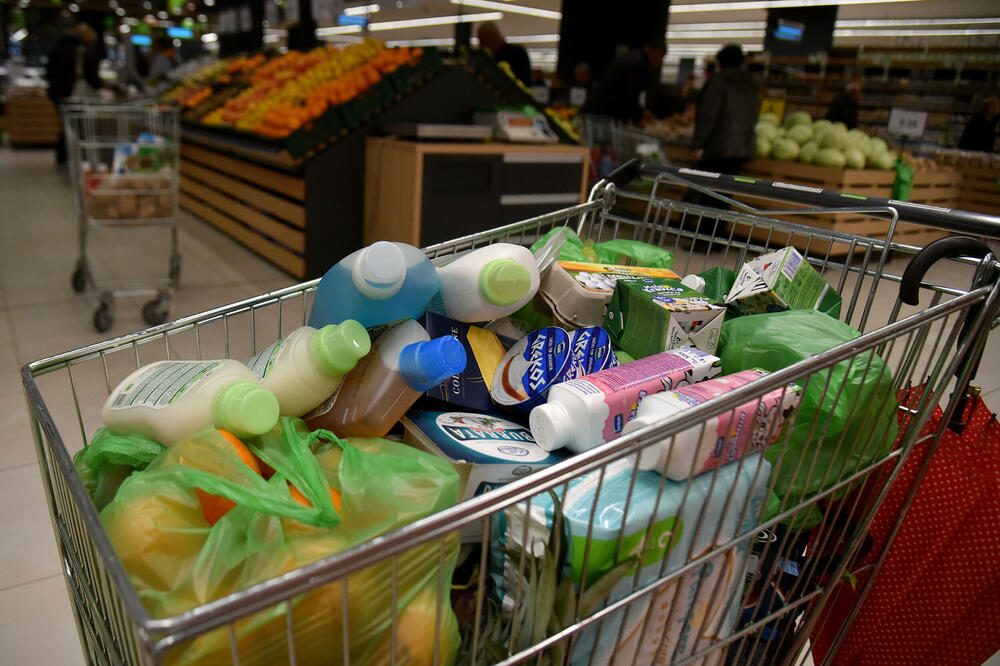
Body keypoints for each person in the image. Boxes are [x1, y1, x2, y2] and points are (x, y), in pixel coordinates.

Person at [691, 44, 758, 177]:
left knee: (709, 186)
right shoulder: (750, 84)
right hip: (742, 149)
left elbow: (707, 115)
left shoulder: (719, 82)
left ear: (720, 62)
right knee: (727, 185)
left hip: (717, 148)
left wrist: (697, 144)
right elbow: (754, 116)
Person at [46, 22, 101, 164]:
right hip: (74, 91)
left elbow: (49, 70)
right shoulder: (82, 49)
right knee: (78, 125)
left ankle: (63, 156)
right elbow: (91, 75)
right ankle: (77, 157)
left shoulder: (58, 46)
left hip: (57, 90)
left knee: (65, 123)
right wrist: (99, 86)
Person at [583, 40, 666, 125]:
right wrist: (639, 119)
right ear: (655, 51)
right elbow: (632, 95)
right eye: (660, 57)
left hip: (601, 113)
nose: (659, 62)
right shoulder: (637, 62)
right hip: (602, 115)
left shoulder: (634, 58)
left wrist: (641, 112)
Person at [476, 23, 531, 88]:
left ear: (493, 37)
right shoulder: (488, 57)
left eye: (482, 41)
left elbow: (524, 83)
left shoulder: (517, 53)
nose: (481, 45)